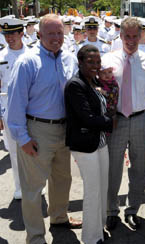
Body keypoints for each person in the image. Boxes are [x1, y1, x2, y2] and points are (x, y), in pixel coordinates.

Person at [7, 14, 81, 244]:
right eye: (51, 33)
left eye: (59, 33)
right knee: (32, 188)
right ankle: (36, 236)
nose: (56, 38)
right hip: (37, 130)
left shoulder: (70, 59)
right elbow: (15, 104)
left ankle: (59, 217)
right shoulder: (27, 62)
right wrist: (23, 138)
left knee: (62, 179)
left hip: (64, 130)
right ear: (39, 34)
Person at [103, 17, 145, 231]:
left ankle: (132, 210)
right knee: (112, 170)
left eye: (134, 36)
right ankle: (111, 211)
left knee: (140, 169)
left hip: (142, 120)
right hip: (116, 121)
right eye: (126, 36)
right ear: (120, 36)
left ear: (141, 36)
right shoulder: (106, 60)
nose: (130, 40)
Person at [64, 44, 114, 244]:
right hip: (85, 145)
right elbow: (87, 118)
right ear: (80, 62)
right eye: (90, 61)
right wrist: (111, 122)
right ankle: (92, 238)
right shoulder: (75, 85)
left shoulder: (93, 80)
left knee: (102, 187)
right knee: (93, 190)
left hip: (100, 142)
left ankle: (99, 228)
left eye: (98, 61)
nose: (96, 65)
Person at [0, 18, 29, 200]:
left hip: (31, 108)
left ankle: (35, 184)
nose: (9, 38)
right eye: (6, 34)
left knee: (33, 149)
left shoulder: (33, 53)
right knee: (14, 151)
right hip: (8, 108)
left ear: (21, 33)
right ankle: (19, 187)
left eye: (13, 34)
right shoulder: (1, 57)